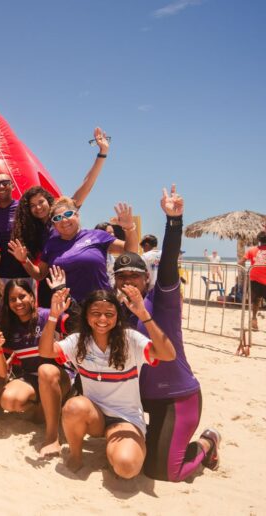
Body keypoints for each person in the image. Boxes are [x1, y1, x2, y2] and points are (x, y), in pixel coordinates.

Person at [114, 185, 222, 480]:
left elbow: (170, 262)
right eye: (121, 277)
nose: (128, 282)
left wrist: (174, 222)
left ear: (146, 278)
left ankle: (207, 442)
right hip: (138, 400)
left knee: (165, 473)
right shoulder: (114, 311)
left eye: (134, 276)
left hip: (177, 398)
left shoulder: (162, 299)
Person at [39, 288, 176, 477]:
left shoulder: (130, 339)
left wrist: (144, 314)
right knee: (73, 407)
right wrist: (53, 316)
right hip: (94, 416)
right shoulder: (78, 341)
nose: (102, 319)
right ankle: (76, 455)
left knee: (127, 467)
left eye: (109, 314)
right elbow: (46, 352)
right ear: (86, 316)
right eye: (95, 313)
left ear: (117, 317)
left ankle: (115, 449)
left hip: (124, 418)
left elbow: (168, 354)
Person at [11, 127, 111, 304]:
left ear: (49, 200)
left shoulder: (64, 215)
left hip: (77, 286)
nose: (38, 207)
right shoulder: (32, 231)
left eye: (41, 202)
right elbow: (39, 271)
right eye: (32, 206)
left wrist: (102, 153)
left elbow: (87, 185)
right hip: (50, 286)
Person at [0, 273, 76, 456]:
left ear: (32, 296)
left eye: (22, 296)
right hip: (32, 378)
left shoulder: (48, 314)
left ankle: (52, 437)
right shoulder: (10, 326)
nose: (18, 302)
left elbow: (75, 324)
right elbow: (5, 364)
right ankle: (45, 407)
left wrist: (63, 300)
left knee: (45, 370)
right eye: (12, 299)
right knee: (8, 400)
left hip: (59, 376)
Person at [10, 197, 138, 303]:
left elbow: (131, 252)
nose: (64, 220)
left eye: (68, 214)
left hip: (101, 304)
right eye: (57, 218)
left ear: (77, 215)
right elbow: (39, 274)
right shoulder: (51, 245)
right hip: (70, 309)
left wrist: (129, 228)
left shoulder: (96, 235)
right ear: (54, 225)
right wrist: (24, 260)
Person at [0, 173, 27, 282]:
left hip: (22, 273)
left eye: (5, 183)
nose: (1, 187)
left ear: (13, 186)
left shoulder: (24, 207)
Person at [240, 231, 266, 332]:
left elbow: (241, 262)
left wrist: (243, 270)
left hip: (254, 280)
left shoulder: (252, 250)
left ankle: (254, 318)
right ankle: (254, 319)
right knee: (256, 301)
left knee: (256, 301)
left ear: (258, 240)